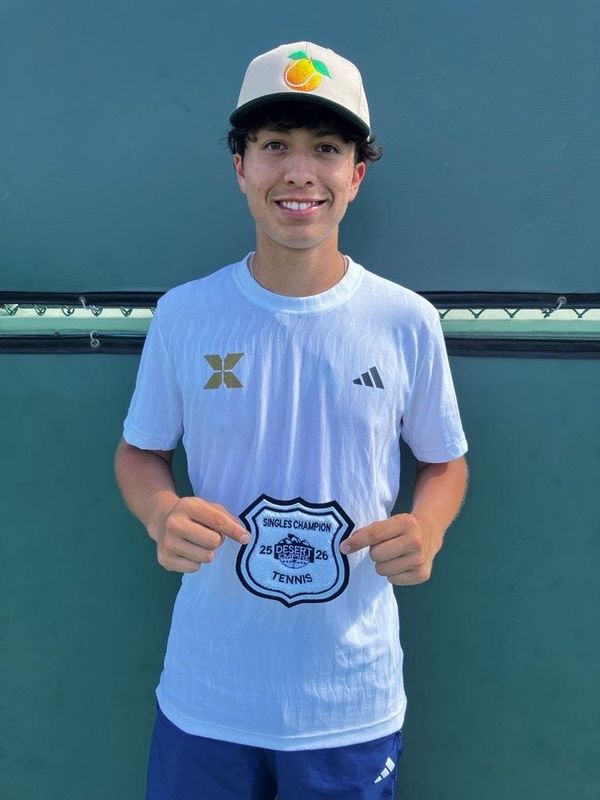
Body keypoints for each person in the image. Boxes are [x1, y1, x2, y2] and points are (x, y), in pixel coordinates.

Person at [114, 41, 469, 800]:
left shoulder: (405, 321)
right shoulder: (186, 315)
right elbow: (139, 453)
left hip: (351, 702)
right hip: (207, 696)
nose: (299, 172)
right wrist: (160, 512)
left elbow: (445, 462)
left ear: (356, 175)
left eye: (327, 149)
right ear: (240, 166)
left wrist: (428, 526)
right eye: (274, 145)